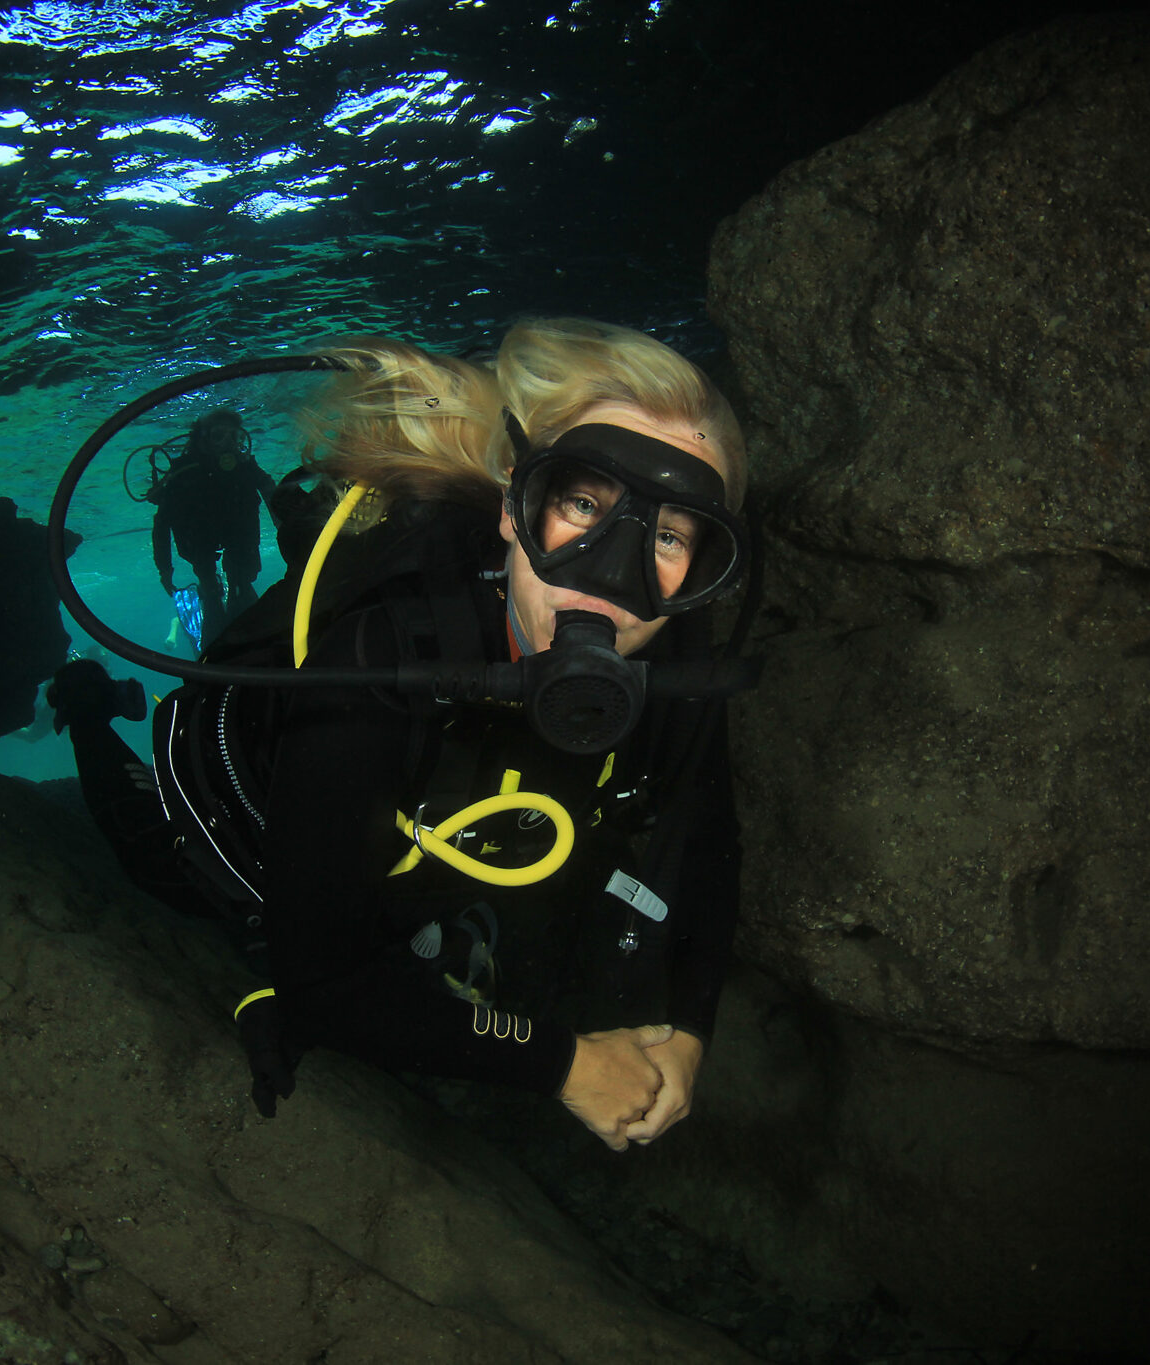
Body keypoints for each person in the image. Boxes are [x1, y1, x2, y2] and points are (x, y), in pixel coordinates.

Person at [51, 317, 746, 1153]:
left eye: (668, 535)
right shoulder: (390, 652)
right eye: (583, 502)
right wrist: (567, 1065)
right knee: (146, 855)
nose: (613, 575)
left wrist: (688, 1029)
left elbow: (705, 840)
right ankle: (87, 704)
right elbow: (318, 982)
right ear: (513, 505)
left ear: (703, 568)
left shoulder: (674, 658)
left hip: (411, 845)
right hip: (230, 822)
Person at [148, 406, 277, 643]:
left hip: (238, 538)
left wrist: (287, 531)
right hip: (199, 540)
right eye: (220, 436)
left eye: (234, 436)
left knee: (242, 583)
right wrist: (164, 568)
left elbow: (273, 494)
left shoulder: (245, 466)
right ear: (203, 440)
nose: (228, 444)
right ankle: (216, 620)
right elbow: (162, 525)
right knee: (210, 590)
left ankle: (244, 638)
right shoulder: (183, 472)